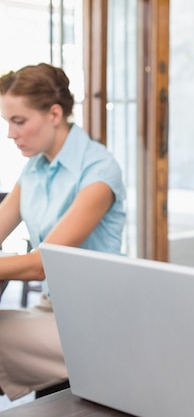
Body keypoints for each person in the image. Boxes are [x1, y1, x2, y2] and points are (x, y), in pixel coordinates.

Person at [0, 63, 126, 400]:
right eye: (7, 122)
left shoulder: (99, 170)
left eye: (19, 121)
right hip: (54, 307)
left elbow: (44, 263)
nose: (11, 134)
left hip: (99, 318)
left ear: (54, 114)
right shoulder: (35, 167)